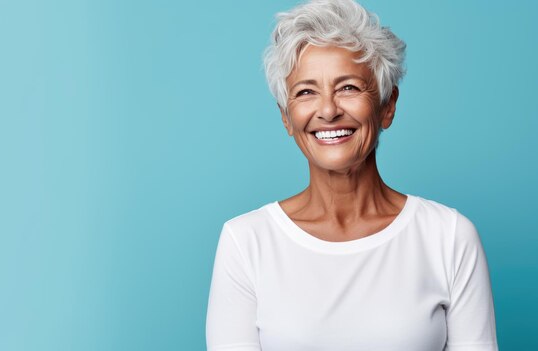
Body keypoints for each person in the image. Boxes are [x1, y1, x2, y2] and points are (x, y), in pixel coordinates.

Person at [205, 0, 498, 350]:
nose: (328, 110)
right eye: (306, 92)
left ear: (387, 105)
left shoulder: (449, 237)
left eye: (348, 87)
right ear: (286, 117)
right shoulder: (246, 242)